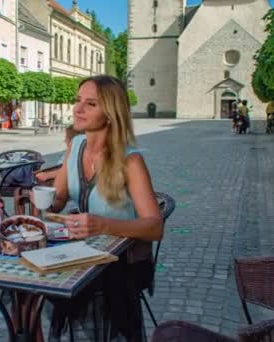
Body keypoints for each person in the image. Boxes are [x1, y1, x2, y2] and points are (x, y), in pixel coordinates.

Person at [46, 75, 164, 341]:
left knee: (71, 287)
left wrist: (103, 224)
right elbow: (60, 197)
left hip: (123, 262)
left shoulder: (130, 160)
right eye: (78, 101)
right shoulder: (76, 145)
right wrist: (45, 200)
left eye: (90, 104)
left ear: (110, 114)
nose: (78, 109)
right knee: (33, 283)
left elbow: (155, 227)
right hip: (82, 253)